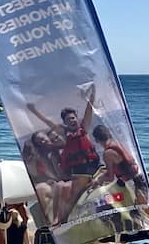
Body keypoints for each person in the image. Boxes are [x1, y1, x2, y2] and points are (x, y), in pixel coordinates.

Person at [27, 86, 100, 221]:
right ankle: (58, 219)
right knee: (61, 188)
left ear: (76, 118)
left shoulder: (84, 128)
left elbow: (89, 110)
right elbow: (48, 122)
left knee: (69, 190)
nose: (71, 121)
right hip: (77, 171)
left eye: (73, 118)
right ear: (65, 123)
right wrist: (34, 110)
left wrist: (92, 93)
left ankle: (64, 219)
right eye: (68, 120)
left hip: (90, 168)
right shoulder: (66, 135)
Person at [91, 125, 149, 207]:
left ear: (97, 140)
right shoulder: (116, 143)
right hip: (140, 179)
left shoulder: (107, 153)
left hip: (132, 184)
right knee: (142, 209)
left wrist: (98, 180)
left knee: (105, 203)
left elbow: (110, 178)